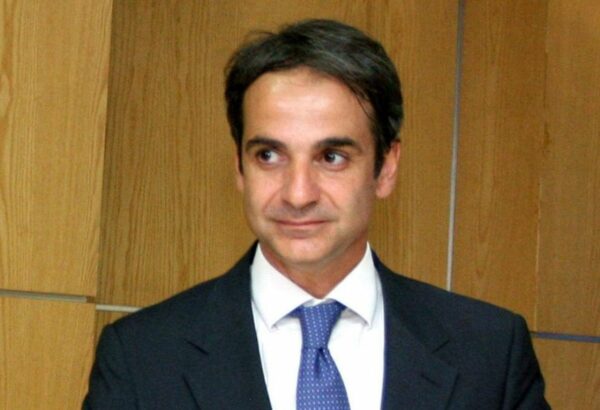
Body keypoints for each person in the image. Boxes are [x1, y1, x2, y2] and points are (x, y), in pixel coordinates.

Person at [84, 19, 549, 409]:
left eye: (331, 157)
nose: (298, 194)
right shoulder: (142, 359)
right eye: (269, 156)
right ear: (239, 168)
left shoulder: (489, 354)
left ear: (386, 168)